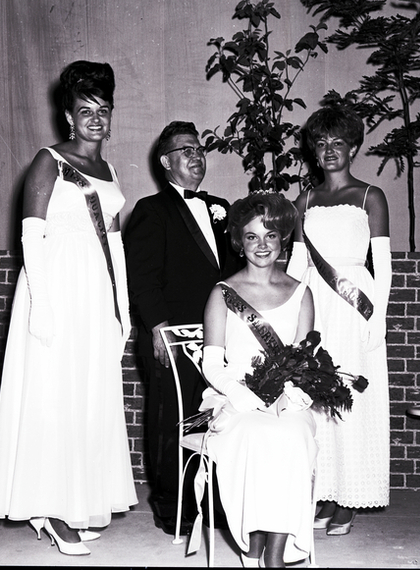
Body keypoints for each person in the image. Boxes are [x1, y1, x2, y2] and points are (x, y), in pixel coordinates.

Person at [0, 60, 137, 556]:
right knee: (53, 396)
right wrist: (41, 306)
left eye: (103, 109)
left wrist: (123, 309)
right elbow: (31, 236)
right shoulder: (48, 160)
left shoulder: (110, 171)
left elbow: (115, 246)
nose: (96, 118)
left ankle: (75, 503)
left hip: (95, 296)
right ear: (68, 116)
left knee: (87, 398)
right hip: (55, 288)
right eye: (85, 110)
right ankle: (48, 509)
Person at [123, 120, 239, 535]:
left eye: (199, 149)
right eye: (186, 150)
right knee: (173, 421)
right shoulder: (151, 210)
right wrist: (157, 328)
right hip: (173, 336)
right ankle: (173, 508)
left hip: (220, 336)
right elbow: (142, 276)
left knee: (218, 417)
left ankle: (213, 503)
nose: (196, 156)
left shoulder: (221, 207)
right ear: (165, 162)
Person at [287, 102, 392, 535]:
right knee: (317, 400)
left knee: (352, 399)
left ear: (353, 148)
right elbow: (296, 266)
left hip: (354, 309)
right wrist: (290, 317)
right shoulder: (305, 200)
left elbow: (383, 265)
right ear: (313, 151)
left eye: (339, 142)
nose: (330, 150)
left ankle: (350, 498)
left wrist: (378, 318)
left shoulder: (371, 196)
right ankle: (325, 494)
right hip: (316, 308)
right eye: (321, 143)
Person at [200, 191, 318, 568]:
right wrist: (241, 395)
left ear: (283, 239)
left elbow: (303, 360)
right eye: (252, 236)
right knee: (255, 435)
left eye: (270, 235)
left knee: (293, 435)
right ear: (240, 241)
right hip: (235, 396)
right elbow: (212, 363)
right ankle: (252, 552)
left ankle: (275, 557)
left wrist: (292, 392)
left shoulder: (301, 293)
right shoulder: (223, 293)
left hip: (285, 397)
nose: (262, 244)